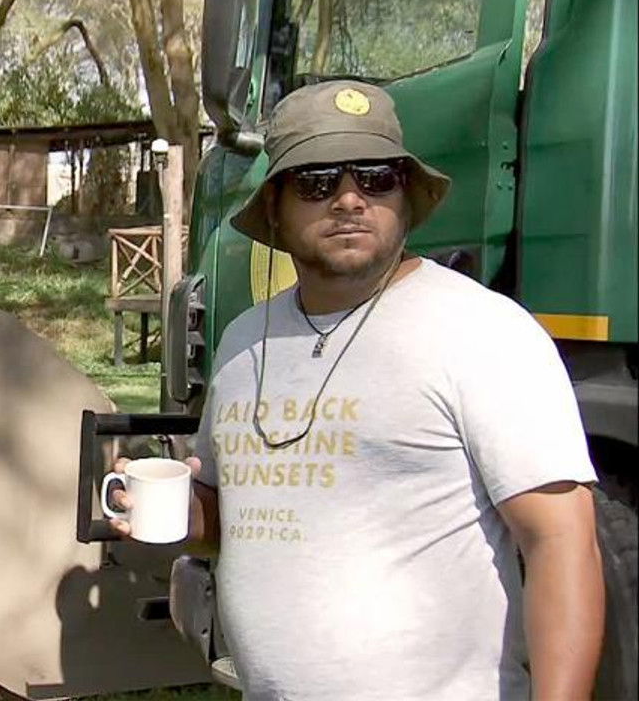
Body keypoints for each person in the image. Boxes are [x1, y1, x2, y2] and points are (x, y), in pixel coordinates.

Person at [110, 81, 604, 699]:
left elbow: (561, 539)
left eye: (375, 177)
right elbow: (240, 519)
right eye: (317, 181)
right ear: (275, 206)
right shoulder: (244, 341)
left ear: (405, 196)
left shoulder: (482, 332)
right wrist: (182, 515)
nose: (349, 199)